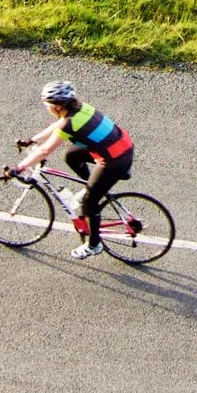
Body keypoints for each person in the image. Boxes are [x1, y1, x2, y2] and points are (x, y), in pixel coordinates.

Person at [12, 80, 134, 260]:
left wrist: (19, 167)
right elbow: (58, 126)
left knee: (89, 203)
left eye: (47, 105)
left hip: (114, 160)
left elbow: (46, 150)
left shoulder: (69, 123)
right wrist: (32, 140)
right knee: (71, 155)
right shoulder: (80, 109)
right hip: (122, 148)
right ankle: (93, 184)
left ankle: (94, 245)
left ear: (57, 106)